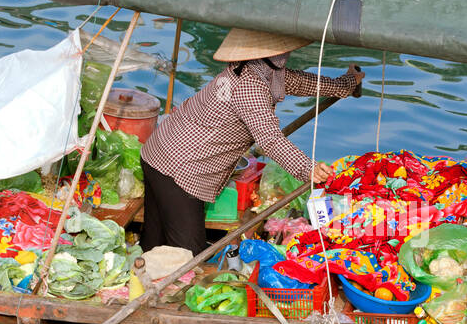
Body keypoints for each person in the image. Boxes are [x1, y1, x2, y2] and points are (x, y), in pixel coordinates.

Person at [139, 28, 363, 253]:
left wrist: (346, 83)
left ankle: (144, 275)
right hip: (179, 168)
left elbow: (300, 82)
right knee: (188, 253)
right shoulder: (250, 86)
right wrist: (308, 168)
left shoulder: (256, 70)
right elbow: (270, 140)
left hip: (160, 151)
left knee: (154, 241)